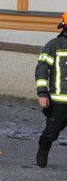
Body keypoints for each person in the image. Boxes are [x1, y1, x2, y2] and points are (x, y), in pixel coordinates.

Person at [35, 11, 67, 167]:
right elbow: (42, 70)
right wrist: (42, 94)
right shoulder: (54, 45)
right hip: (59, 101)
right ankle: (44, 147)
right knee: (51, 133)